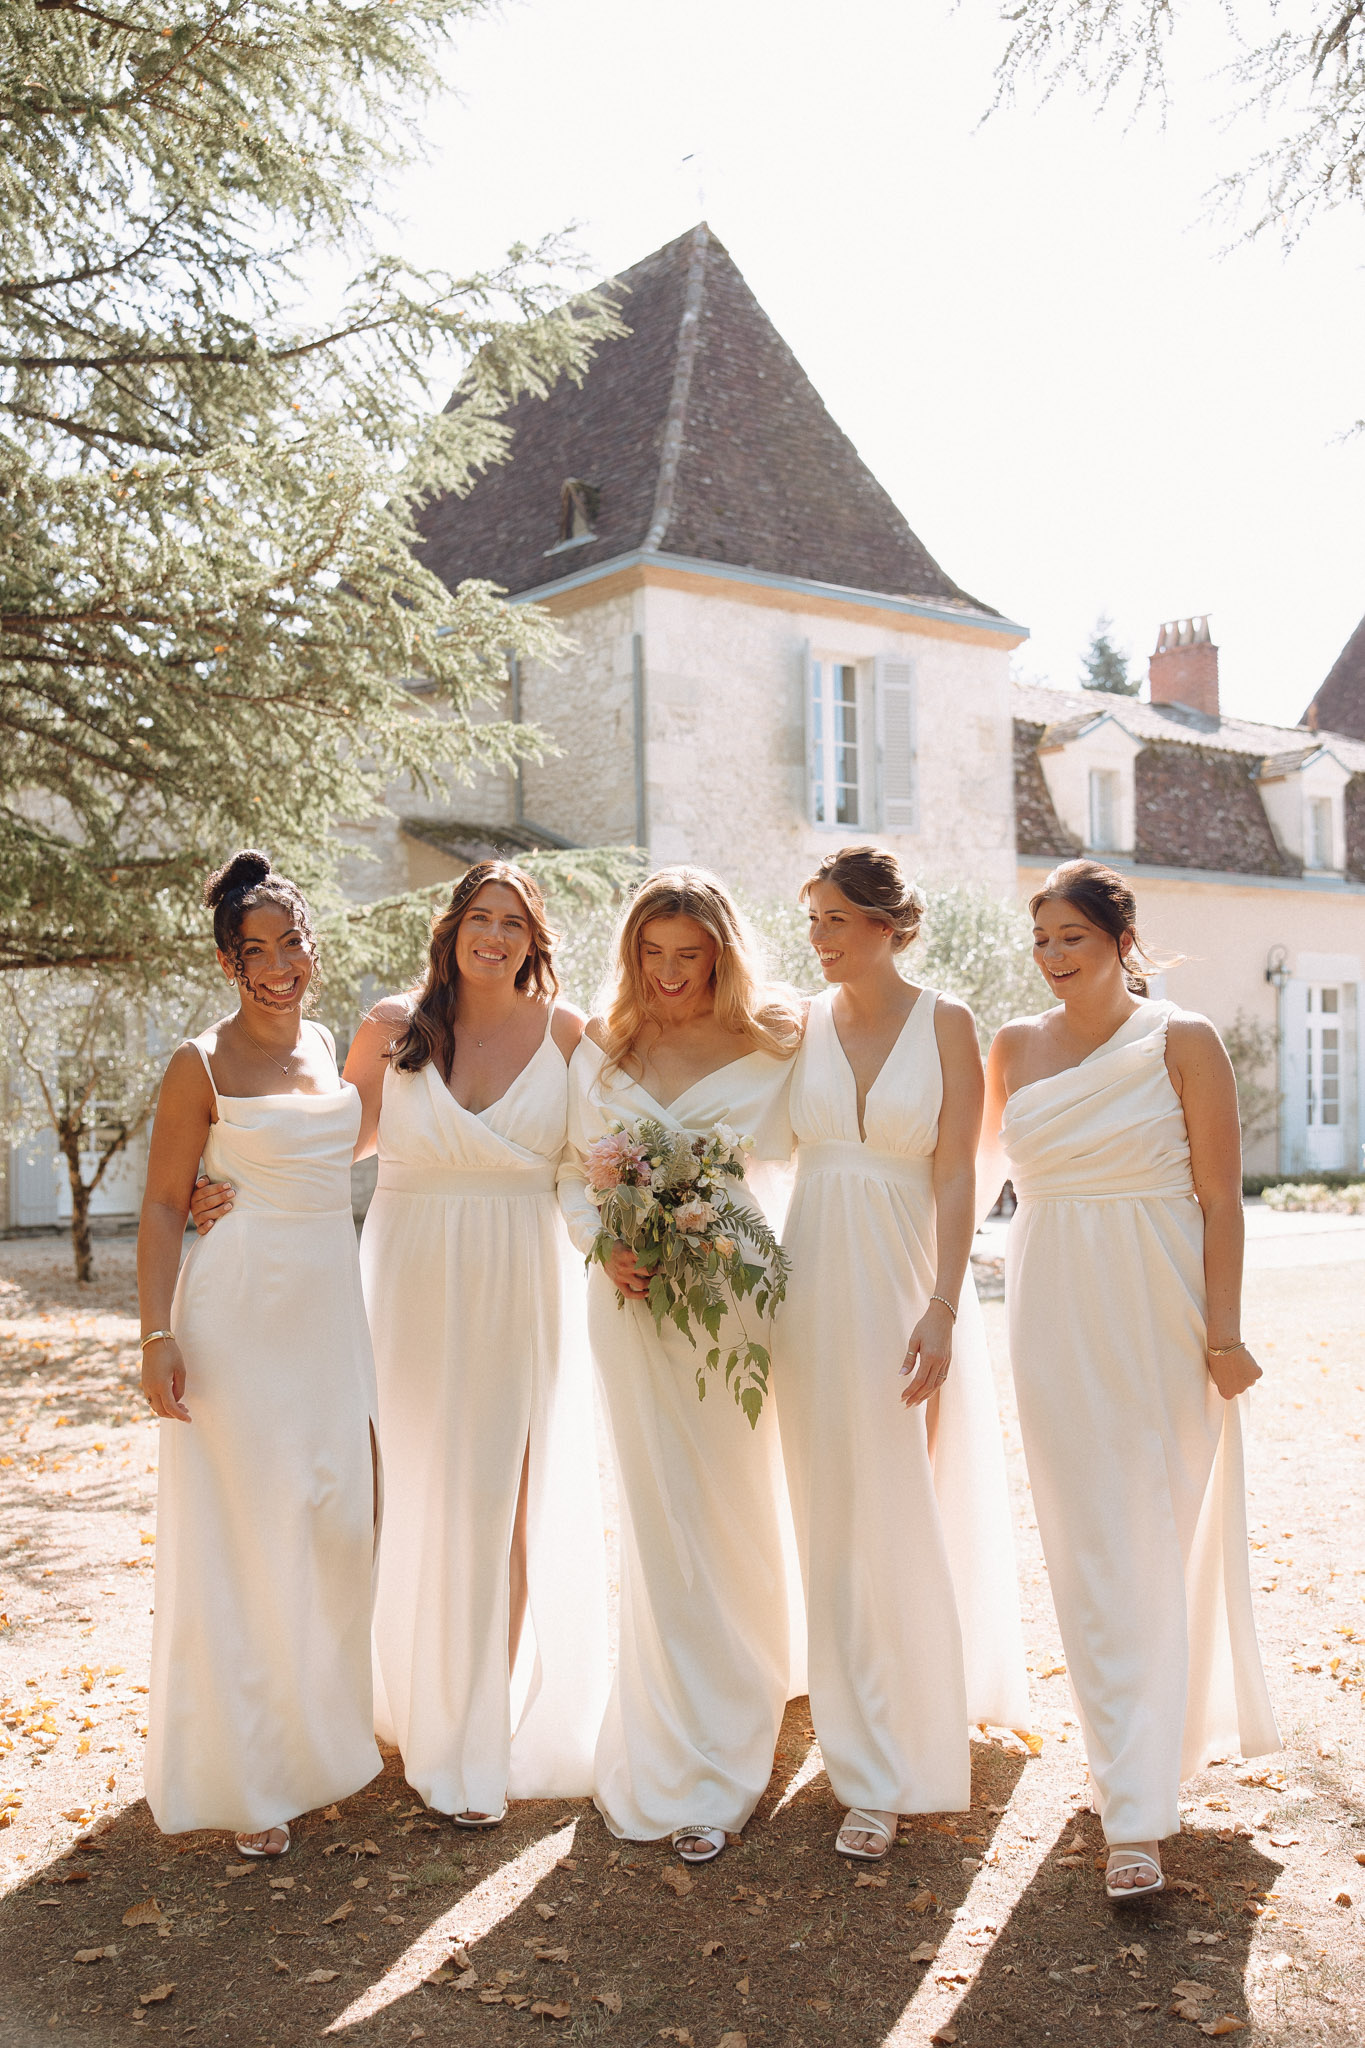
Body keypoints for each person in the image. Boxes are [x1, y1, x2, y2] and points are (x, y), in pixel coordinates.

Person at [192, 861, 608, 1825]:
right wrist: (221, 1178)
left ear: (532, 938)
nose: (493, 935)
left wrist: (636, 1240)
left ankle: (477, 1737)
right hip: (405, 1282)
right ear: (451, 928)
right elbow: (323, 1141)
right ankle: (393, 1702)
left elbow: (592, 1169)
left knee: (499, 1498)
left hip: (518, 1282)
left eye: (512, 921)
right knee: (401, 1496)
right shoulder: (391, 1028)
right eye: (479, 917)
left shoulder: (569, 1034)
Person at [982, 859, 1279, 1902]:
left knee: (1154, 1530)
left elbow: (1221, 1199)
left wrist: (1225, 1330)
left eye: (1075, 937)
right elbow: (957, 1182)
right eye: (1045, 940)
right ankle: (1132, 1785)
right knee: (1087, 1543)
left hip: (1160, 1307)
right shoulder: (1012, 1046)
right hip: (1052, 1304)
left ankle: (1141, 1799)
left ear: (1120, 939)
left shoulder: (1184, 1040)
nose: (1057, 956)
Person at [779, 846, 1028, 1862]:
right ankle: (861, 1753)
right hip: (807, 1280)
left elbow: (962, 1176)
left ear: (888, 923)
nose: (820, 937)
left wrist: (941, 1303)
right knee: (830, 1509)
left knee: (899, 1500)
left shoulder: (949, 1024)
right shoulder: (796, 1023)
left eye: (835, 919)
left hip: (905, 1280)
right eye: (814, 921)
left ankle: (909, 1745)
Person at [557, 868, 804, 1863]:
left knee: (733, 1503)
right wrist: (600, 1242)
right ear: (632, 955)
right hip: (627, 1298)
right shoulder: (602, 1048)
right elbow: (571, 1174)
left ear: (720, 954)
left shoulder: (772, 1044)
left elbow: (836, 1132)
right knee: (658, 1511)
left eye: (688, 955)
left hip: (733, 1296)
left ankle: (736, 1725)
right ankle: (666, 1731)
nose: (668, 974)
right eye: (652, 954)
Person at [138, 850, 381, 1856]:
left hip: (329, 1319)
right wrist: (156, 1332)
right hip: (237, 1316)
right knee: (249, 1535)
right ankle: (249, 1778)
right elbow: (161, 1199)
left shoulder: (330, 1043)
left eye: (292, 943)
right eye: (257, 952)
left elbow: (339, 1148)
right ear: (228, 964)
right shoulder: (200, 1062)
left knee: (333, 1523)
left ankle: (317, 1740)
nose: (280, 965)